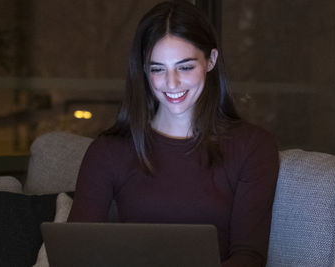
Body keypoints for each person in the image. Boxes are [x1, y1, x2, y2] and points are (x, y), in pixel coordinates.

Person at [68, 1, 279, 266]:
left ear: (211, 60)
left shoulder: (253, 147)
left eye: (185, 66)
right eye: (157, 69)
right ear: (144, 70)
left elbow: (249, 256)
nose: (171, 83)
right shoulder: (108, 152)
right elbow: (76, 253)